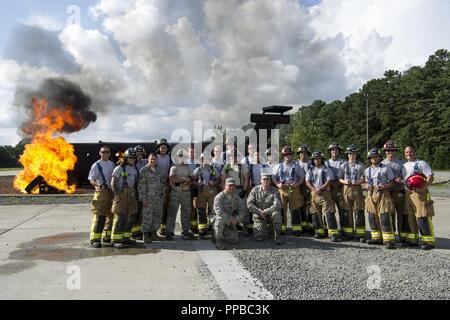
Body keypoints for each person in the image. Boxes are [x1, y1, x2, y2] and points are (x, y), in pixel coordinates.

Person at [401, 145, 436, 250]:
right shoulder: (404, 165)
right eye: (406, 152)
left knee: (422, 216)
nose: (409, 154)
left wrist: (424, 188)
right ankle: (413, 240)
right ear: (404, 154)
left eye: (411, 151)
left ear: (414, 152)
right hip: (408, 193)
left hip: (420, 193)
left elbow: (430, 176)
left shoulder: (421, 163)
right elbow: (406, 180)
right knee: (410, 216)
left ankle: (428, 241)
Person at [363, 148, 396, 249]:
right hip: (371, 194)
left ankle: (388, 240)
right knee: (372, 217)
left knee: (384, 216)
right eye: (372, 157)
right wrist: (366, 185)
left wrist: (384, 186)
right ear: (370, 159)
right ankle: (376, 238)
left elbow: (392, 182)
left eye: (376, 156)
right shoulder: (367, 170)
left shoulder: (386, 168)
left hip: (383, 193)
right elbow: (364, 183)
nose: (374, 158)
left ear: (379, 157)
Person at [306, 151, 341, 242]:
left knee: (329, 212)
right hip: (314, 194)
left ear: (321, 159)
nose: (316, 160)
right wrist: (313, 189)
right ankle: (319, 232)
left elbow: (329, 180)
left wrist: (321, 189)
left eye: (318, 159)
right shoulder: (310, 169)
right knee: (315, 213)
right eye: (314, 159)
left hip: (325, 193)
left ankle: (333, 233)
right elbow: (307, 181)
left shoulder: (326, 169)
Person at [110, 148, 140, 249]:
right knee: (120, 217)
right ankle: (116, 240)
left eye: (133, 158)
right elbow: (113, 182)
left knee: (130, 217)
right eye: (130, 157)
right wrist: (116, 194)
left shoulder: (134, 168)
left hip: (131, 194)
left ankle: (126, 238)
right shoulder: (119, 168)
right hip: (122, 194)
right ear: (126, 158)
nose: (132, 159)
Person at [272, 145, 304, 236]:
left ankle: (296, 228)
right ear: (283, 155)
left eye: (289, 154)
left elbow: (302, 177)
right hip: (282, 190)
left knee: (295, 209)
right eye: (286, 154)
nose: (287, 156)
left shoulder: (297, 166)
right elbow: (273, 177)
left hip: (294, 190)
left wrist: (297, 184)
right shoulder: (278, 166)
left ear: (292, 155)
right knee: (282, 209)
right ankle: (282, 228)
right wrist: (278, 184)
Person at [88, 145, 116, 248]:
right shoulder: (96, 165)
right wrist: (98, 185)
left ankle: (106, 236)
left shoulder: (112, 164)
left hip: (110, 192)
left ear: (109, 153)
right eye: (103, 152)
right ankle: (95, 238)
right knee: (99, 215)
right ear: (100, 153)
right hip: (101, 192)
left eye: (107, 152)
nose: (105, 154)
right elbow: (91, 179)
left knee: (111, 215)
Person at [381, 140, 408, 246]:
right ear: (385, 151)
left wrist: (401, 179)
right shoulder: (382, 163)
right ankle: (391, 236)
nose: (390, 152)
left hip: (399, 191)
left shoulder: (401, 163)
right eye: (388, 150)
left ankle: (402, 237)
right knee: (390, 215)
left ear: (395, 151)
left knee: (401, 215)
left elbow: (406, 176)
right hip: (387, 193)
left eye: (392, 150)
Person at [338, 144, 366, 242]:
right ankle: (348, 233)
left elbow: (365, 178)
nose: (352, 155)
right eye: (350, 154)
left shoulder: (361, 165)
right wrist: (344, 181)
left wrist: (359, 182)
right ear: (347, 154)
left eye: (353, 154)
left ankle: (360, 234)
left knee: (359, 210)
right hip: (346, 188)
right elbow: (339, 178)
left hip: (357, 189)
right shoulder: (343, 165)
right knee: (346, 210)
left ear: (356, 154)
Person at [166, 149, 195, 241]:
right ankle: (169, 231)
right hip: (175, 192)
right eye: (181, 156)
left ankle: (185, 231)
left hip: (186, 192)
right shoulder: (174, 168)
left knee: (186, 212)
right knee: (172, 212)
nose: (183, 159)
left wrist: (188, 180)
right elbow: (173, 179)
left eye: (185, 157)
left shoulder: (188, 168)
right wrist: (184, 179)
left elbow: (192, 179)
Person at [247, 173, 283, 244]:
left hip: (270, 214)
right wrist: (259, 211)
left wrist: (266, 211)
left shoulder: (274, 190)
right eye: (264, 179)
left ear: (270, 181)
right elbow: (249, 204)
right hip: (259, 214)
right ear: (260, 180)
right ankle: (265, 230)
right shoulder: (254, 190)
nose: (266, 181)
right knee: (259, 238)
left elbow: (277, 204)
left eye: (268, 180)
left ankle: (277, 236)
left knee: (277, 214)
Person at [212, 178, 248, 250]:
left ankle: (224, 232)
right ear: (225, 186)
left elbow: (242, 210)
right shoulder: (219, 197)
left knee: (234, 240)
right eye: (229, 185)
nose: (232, 187)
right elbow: (219, 211)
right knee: (220, 219)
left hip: (230, 220)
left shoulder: (237, 197)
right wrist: (231, 218)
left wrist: (237, 219)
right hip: (217, 218)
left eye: (233, 186)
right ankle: (218, 240)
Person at [221, 150, 251, 234]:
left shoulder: (242, 166)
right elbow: (223, 180)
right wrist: (224, 192)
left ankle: (245, 227)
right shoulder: (226, 166)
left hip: (240, 189)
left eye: (235, 156)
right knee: (230, 209)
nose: (233, 158)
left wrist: (244, 190)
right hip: (230, 191)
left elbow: (246, 178)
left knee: (243, 208)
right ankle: (231, 227)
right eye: (231, 156)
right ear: (229, 157)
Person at [138, 153, 164, 243]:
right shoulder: (144, 170)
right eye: (151, 159)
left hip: (158, 198)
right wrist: (143, 198)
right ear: (148, 160)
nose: (153, 161)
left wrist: (162, 196)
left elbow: (161, 184)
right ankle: (145, 236)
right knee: (147, 217)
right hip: (148, 199)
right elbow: (141, 186)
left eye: (154, 159)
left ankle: (154, 235)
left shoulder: (158, 170)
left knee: (157, 216)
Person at [193, 154, 220, 239]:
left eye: (208, 159)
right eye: (204, 159)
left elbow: (218, 179)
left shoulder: (213, 169)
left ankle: (213, 228)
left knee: (212, 210)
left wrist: (214, 183)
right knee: (201, 210)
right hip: (201, 191)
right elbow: (193, 180)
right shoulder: (198, 169)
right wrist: (198, 184)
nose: (206, 160)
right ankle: (202, 229)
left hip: (212, 191)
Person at [326, 143, 346, 236]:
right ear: (330, 151)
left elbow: (346, 175)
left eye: (336, 150)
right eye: (333, 150)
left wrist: (338, 183)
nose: (334, 151)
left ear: (339, 152)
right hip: (329, 189)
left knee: (343, 210)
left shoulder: (344, 162)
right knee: (330, 210)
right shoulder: (326, 163)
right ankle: (332, 230)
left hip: (340, 188)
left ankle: (345, 230)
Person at [297, 144, 315, 234]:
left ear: (308, 154)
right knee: (301, 207)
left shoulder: (312, 164)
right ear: (299, 154)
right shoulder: (295, 164)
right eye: (301, 153)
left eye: (305, 153)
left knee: (311, 207)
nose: (303, 155)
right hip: (299, 188)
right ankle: (303, 226)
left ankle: (311, 227)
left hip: (311, 187)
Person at [132, 145, 148, 240]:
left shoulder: (145, 162)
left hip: (144, 188)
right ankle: (135, 233)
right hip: (134, 189)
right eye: (137, 154)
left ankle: (142, 231)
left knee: (143, 211)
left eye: (141, 154)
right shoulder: (130, 164)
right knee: (135, 211)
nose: (139, 156)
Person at [156, 139, 172, 236]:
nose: (163, 149)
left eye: (165, 148)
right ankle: (155, 228)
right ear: (159, 148)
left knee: (166, 206)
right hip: (156, 185)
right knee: (157, 207)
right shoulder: (155, 158)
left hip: (166, 185)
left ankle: (163, 228)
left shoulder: (170, 158)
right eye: (162, 147)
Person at [186, 146, 202, 234]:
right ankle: (187, 226)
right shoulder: (185, 162)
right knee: (189, 207)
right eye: (190, 152)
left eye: (193, 152)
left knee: (196, 206)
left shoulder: (198, 162)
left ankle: (194, 225)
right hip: (188, 187)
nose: (192, 153)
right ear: (187, 153)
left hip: (196, 187)